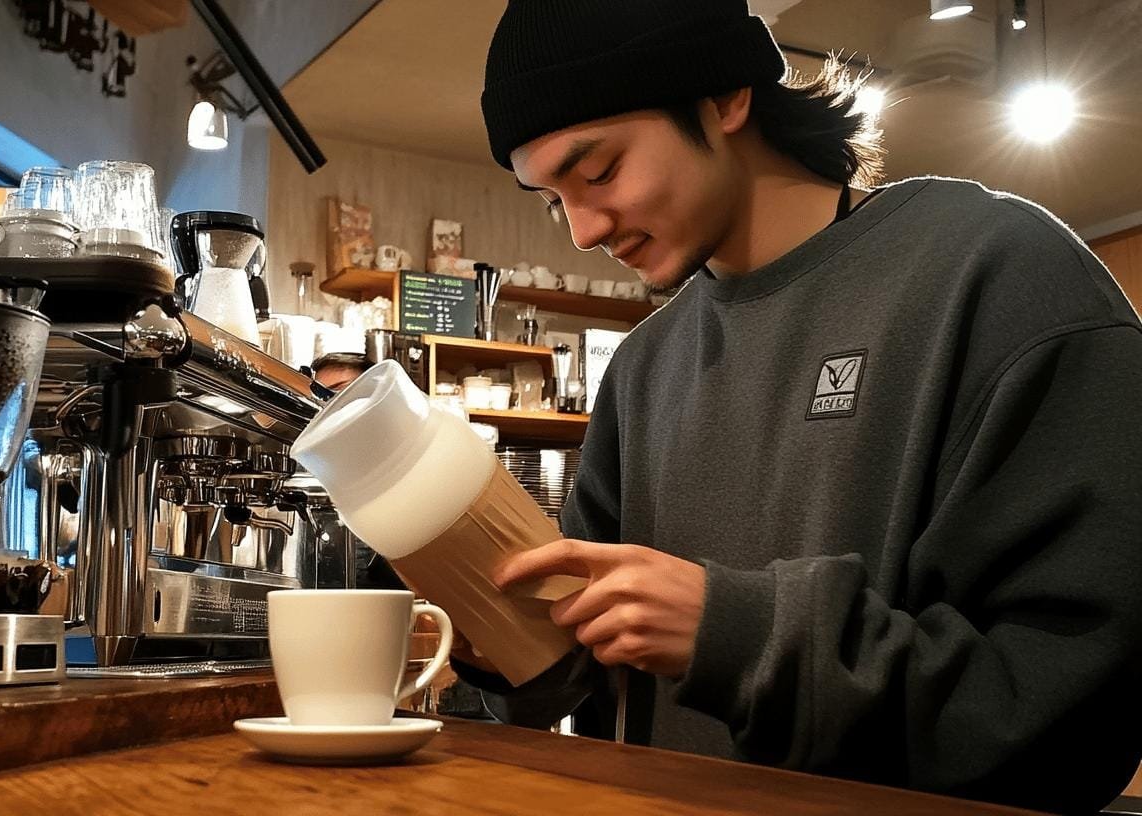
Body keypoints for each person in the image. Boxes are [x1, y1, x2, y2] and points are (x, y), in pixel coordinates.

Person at [450, 2, 1142, 813]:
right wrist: (502, 645)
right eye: (551, 199)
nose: (582, 230)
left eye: (598, 172)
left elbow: (1076, 711)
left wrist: (738, 636)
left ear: (724, 98)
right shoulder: (642, 367)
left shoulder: (999, 274)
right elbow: (577, 676)